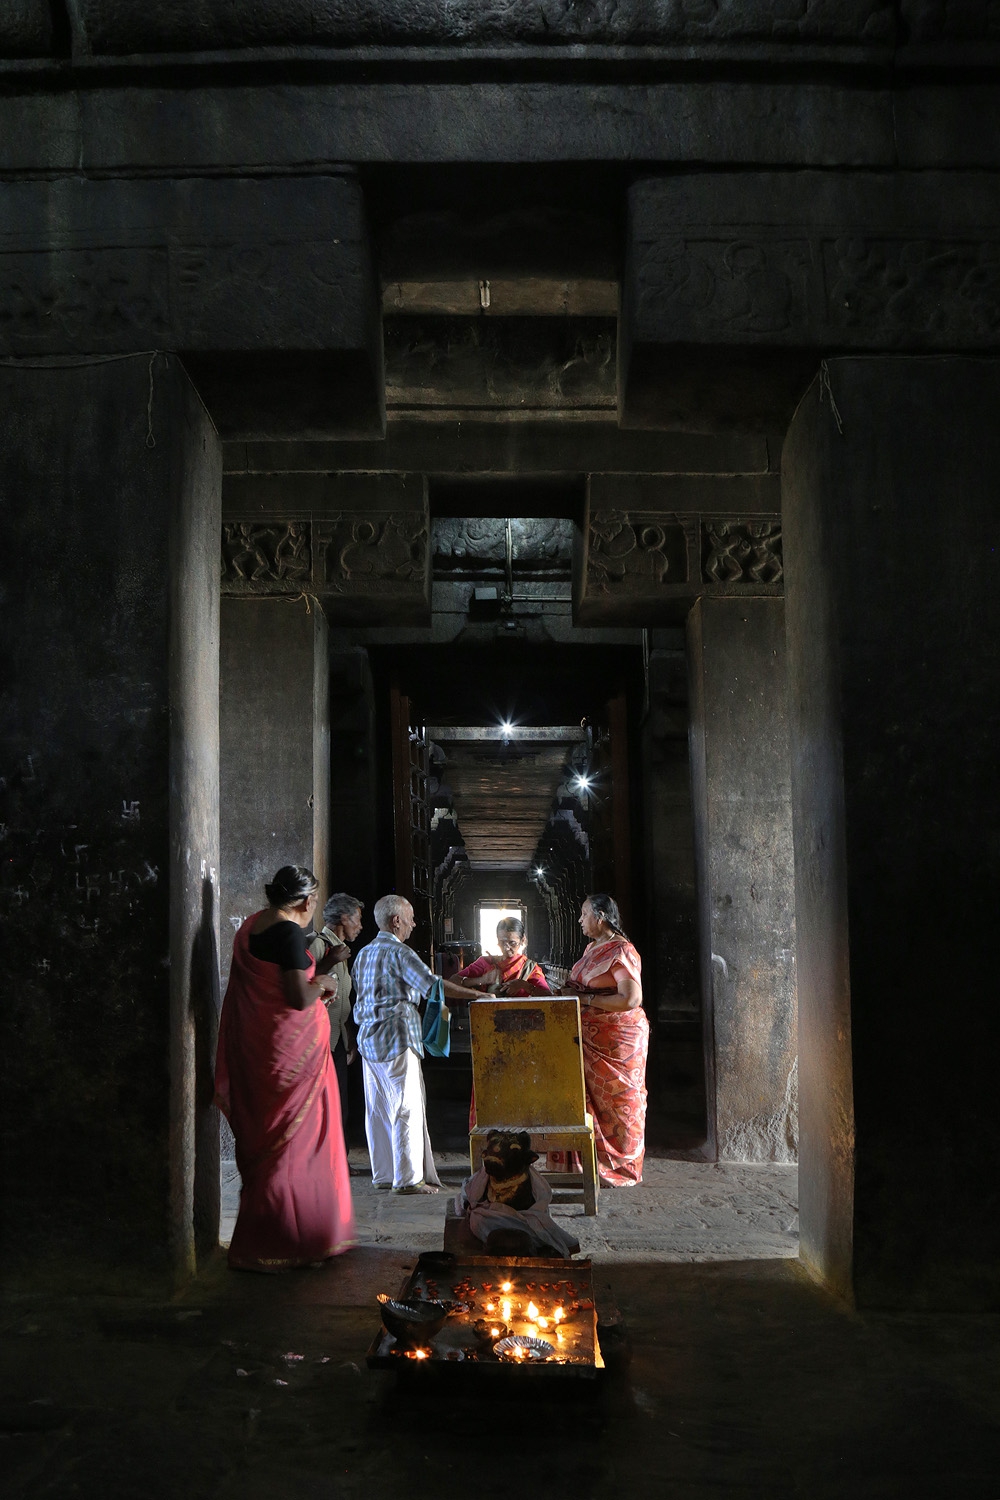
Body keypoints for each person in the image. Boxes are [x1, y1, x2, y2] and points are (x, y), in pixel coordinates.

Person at [214, 865, 356, 1270]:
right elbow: (296, 997)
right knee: (295, 1150)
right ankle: (283, 1245)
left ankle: (273, 1242)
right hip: (292, 1060)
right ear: (308, 902)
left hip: (260, 1052)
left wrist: (323, 965)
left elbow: (273, 987)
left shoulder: (252, 926)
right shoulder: (291, 933)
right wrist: (325, 982)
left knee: (267, 1150)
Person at [352, 894, 488, 1194]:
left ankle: (385, 1173)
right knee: (406, 1107)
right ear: (396, 920)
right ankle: (408, 1178)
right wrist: (479, 996)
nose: (414, 924)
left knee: (377, 1108)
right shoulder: (400, 954)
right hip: (397, 1036)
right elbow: (433, 985)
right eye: (410, 918)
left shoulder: (364, 953)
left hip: (368, 1039)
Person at [556, 893, 648, 1188]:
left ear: (601, 916)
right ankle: (590, 1164)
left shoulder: (622, 951)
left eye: (584, 914)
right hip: (589, 1036)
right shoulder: (592, 949)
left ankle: (622, 1167)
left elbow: (631, 998)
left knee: (621, 1103)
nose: (580, 920)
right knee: (586, 1100)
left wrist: (586, 999)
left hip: (617, 1040)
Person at [308, 892, 364, 1138]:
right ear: (343, 918)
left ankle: (338, 1160)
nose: (360, 927)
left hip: (337, 1039)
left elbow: (342, 1004)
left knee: (340, 1103)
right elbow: (303, 982)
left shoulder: (341, 951)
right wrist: (329, 960)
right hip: (320, 1042)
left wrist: (349, 1036)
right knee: (326, 1105)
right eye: (357, 920)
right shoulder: (320, 944)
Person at [451, 916, 551, 997]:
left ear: (522, 940)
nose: (506, 948)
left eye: (512, 943)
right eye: (502, 942)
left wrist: (525, 985)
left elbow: (549, 996)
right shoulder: (485, 962)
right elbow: (451, 983)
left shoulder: (529, 968)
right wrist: (481, 980)